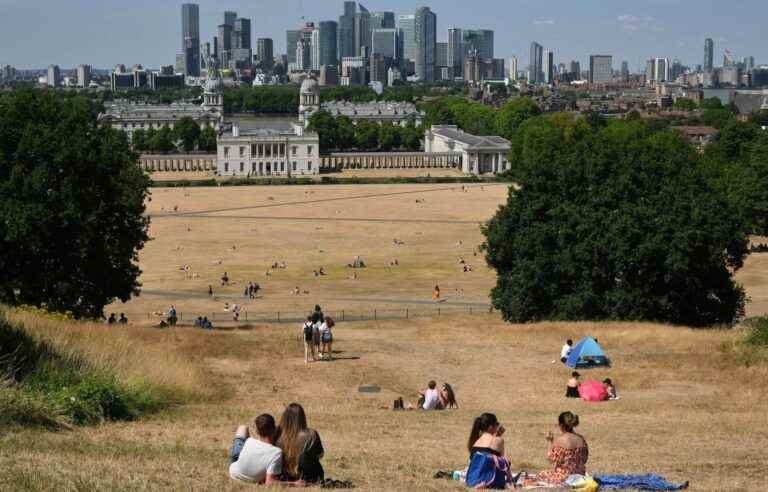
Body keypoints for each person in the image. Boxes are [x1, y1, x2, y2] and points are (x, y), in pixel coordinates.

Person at [275, 403, 324, 484]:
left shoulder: (277, 433)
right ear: (302, 417)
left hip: (284, 476)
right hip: (309, 477)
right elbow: (320, 454)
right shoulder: (312, 434)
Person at [229, 414, 284, 485]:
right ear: (274, 429)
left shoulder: (249, 441)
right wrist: (294, 483)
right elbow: (269, 482)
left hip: (235, 472)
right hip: (251, 477)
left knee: (243, 428)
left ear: (257, 431)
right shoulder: (277, 452)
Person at [537, 412, 589, 485]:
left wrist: (550, 442)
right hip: (580, 476)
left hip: (564, 477)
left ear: (561, 425)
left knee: (542, 474)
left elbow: (551, 460)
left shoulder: (559, 440)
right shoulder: (581, 439)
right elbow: (585, 459)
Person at [465, 413, 514, 489]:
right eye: (496, 424)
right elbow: (505, 462)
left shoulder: (475, 442)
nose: (498, 427)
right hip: (490, 477)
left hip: (473, 477)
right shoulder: (499, 440)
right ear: (491, 427)